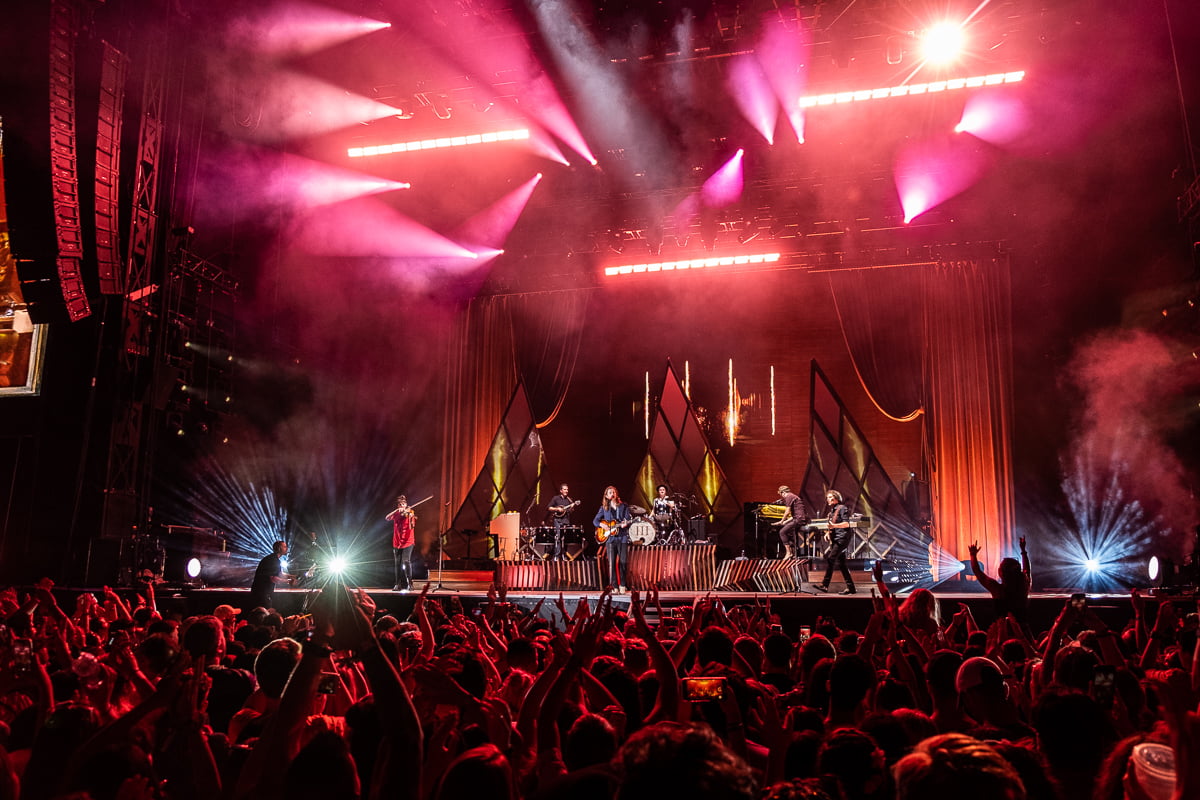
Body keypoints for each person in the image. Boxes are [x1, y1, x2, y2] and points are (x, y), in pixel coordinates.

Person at [968, 536, 1032, 627]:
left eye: (1000, 567)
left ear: (1001, 572)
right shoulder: (1024, 587)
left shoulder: (998, 590)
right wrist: (1023, 551)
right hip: (1022, 629)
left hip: (1003, 630)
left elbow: (978, 573)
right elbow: (1027, 571)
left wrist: (973, 555)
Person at [814, 490, 856, 594]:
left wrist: (834, 526)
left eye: (829, 497)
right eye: (827, 497)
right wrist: (829, 533)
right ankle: (851, 588)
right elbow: (833, 524)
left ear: (835, 498)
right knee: (842, 564)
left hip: (842, 538)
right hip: (836, 538)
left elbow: (846, 524)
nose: (827, 499)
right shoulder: (833, 511)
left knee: (831, 559)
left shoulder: (842, 508)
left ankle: (825, 585)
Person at [593, 485, 632, 592]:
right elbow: (595, 521)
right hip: (610, 539)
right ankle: (614, 586)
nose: (612, 494)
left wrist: (625, 524)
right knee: (612, 563)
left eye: (614, 492)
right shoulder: (604, 508)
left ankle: (623, 585)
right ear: (606, 495)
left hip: (622, 537)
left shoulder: (623, 506)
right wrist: (602, 525)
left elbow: (628, 519)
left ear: (616, 494)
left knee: (623, 562)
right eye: (610, 493)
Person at [386, 495, 417, 592]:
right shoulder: (396, 514)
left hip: (408, 541)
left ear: (406, 504)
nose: (402, 506)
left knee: (406, 561)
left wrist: (411, 517)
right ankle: (397, 584)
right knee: (397, 563)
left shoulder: (410, 513)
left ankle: (410, 584)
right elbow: (387, 518)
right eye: (400, 504)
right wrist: (396, 511)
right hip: (397, 542)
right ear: (398, 506)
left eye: (403, 504)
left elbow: (412, 527)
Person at [249, 540, 292, 609]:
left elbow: (280, 573)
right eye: (284, 547)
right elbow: (273, 578)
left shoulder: (273, 559)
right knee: (264, 614)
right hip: (261, 592)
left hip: (261, 592)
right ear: (279, 548)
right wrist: (288, 581)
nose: (286, 548)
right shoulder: (272, 560)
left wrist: (293, 576)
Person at [772, 484, 809, 559]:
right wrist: (783, 522)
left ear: (783, 492)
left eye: (781, 494)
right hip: (799, 519)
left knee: (782, 532)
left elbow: (787, 511)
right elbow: (794, 515)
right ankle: (793, 552)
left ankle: (788, 553)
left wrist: (782, 520)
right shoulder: (793, 496)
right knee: (788, 531)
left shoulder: (789, 496)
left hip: (799, 520)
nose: (782, 496)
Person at [547, 483, 579, 561]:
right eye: (565, 489)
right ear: (561, 490)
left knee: (565, 538)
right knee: (557, 537)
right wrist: (557, 509)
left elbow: (570, 511)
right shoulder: (556, 498)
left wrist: (572, 507)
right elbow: (549, 507)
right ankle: (556, 556)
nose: (566, 491)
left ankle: (564, 555)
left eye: (567, 489)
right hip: (557, 520)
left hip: (566, 521)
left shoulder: (569, 500)